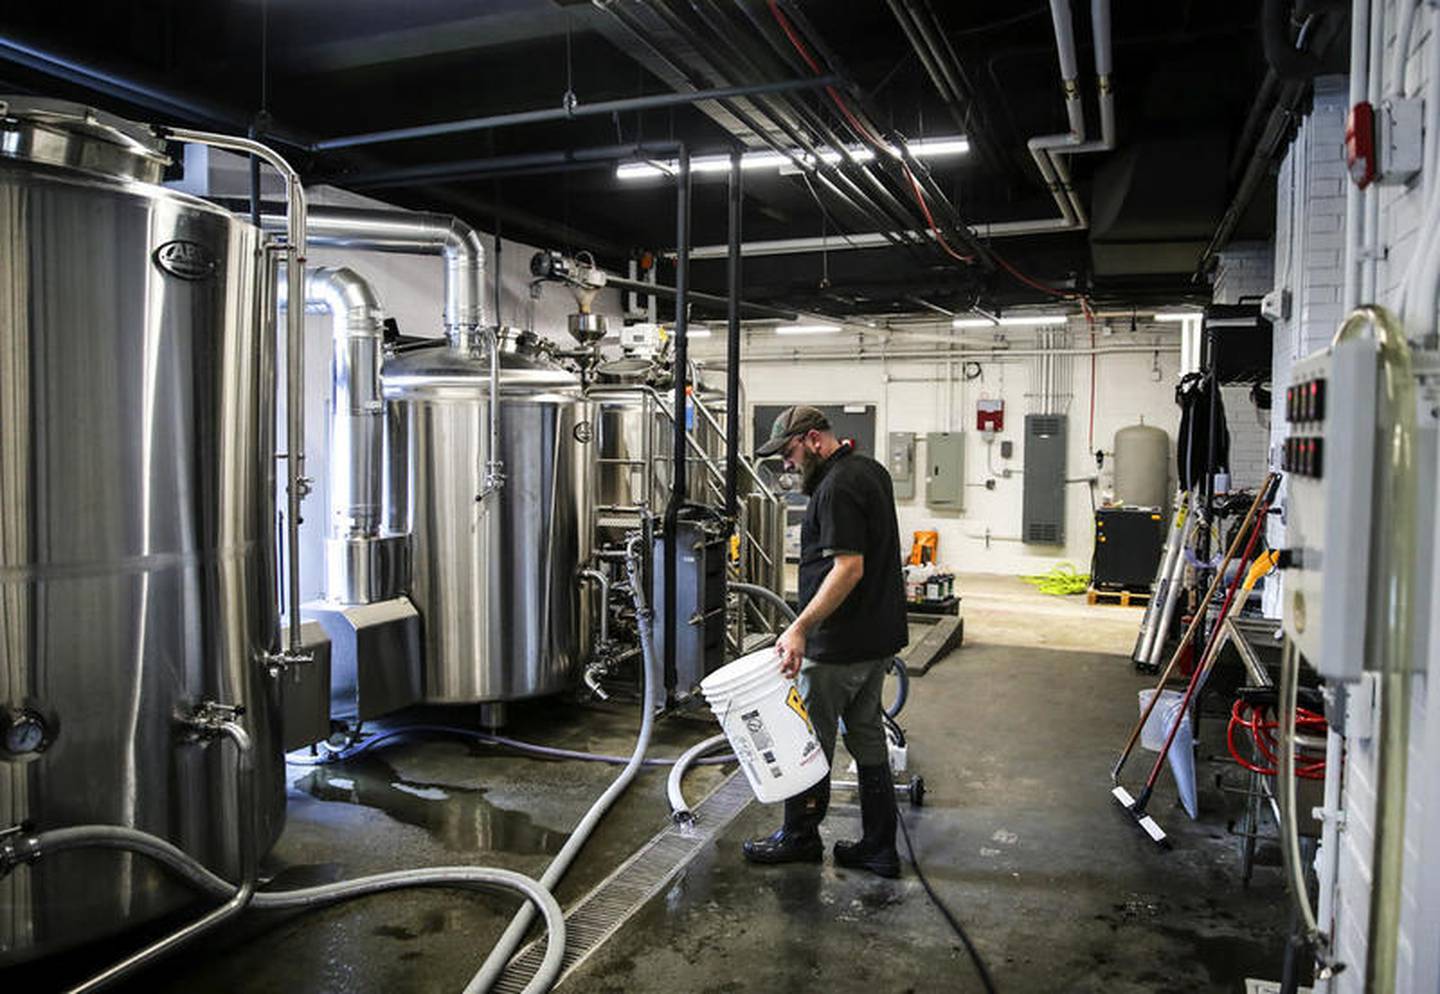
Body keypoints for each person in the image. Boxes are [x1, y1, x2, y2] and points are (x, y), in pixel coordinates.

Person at [744, 406, 909, 878]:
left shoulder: (836, 487)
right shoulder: (869, 470)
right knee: (866, 735)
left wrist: (799, 628)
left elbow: (848, 569)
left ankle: (799, 837)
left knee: (807, 740)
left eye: (790, 453)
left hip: (840, 644)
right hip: (875, 640)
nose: (787, 464)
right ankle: (879, 847)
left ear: (814, 439)